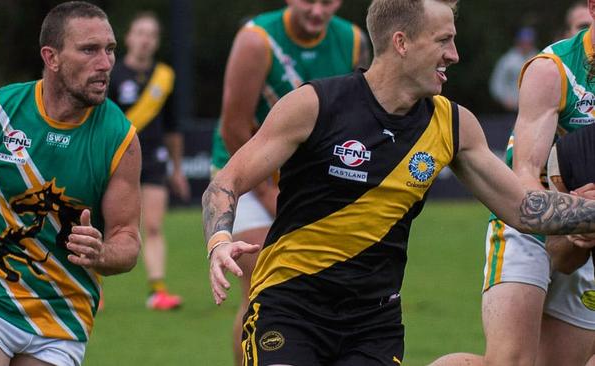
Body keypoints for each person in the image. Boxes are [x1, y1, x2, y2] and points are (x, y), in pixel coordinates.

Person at [202, 0, 595, 364]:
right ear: (401, 42)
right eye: (444, 40)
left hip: (374, 326)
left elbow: (526, 210)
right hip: (290, 309)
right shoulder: (315, 105)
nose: (454, 55)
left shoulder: (454, 126)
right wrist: (218, 239)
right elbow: (225, 183)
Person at [0, 2, 141, 365]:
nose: (106, 63)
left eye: (110, 49)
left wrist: (102, 254)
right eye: (89, 50)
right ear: (51, 58)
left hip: (62, 313)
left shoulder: (120, 139)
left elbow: (127, 241)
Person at [432, 2, 595, 366]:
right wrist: (578, 215)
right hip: (528, 225)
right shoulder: (552, 69)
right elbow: (523, 178)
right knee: (509, 363)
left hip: (590, 231)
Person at [210, 0, 369, 363]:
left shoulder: (355, 40)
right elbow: (233, 127)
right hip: (247, 175)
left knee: (322, 291)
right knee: (261, 287)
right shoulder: (257, 40)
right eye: (308, 1)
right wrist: (268, 191)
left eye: (327, 2)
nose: (317, 11)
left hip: (310, 180)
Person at [108, 11, 189, 311]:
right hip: (115, 157)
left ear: (156, 42)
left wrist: (178, 168)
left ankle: (157, 291)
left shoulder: (164, 77)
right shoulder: (111, 73)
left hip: (153, 158)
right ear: (128, 37)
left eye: (152, 34)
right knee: (105, 224)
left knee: (153, 226)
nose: (145, 40)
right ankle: (95, 289)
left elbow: (172, 128)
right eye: (140, 33)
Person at [489, 26, 537, 111]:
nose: (526, 45)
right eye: (524, 42)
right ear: (518, 42)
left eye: (528, 42)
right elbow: (496, 83)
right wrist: (504, 98)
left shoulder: (537, 57)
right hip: (510, 109)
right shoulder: (508, 60)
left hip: (532, 108)